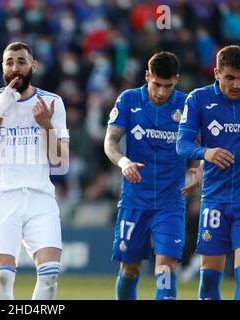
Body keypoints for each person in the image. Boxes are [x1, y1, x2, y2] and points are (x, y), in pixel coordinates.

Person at [0, 42, 69, 300]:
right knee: (2, 278)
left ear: (33, 66)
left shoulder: (51, 102)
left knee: (49, 277)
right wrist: (0, 111)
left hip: (40, 197)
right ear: (2, 67)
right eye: (9, 62)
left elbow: (60, 160)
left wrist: (46, 125)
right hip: (2, 196)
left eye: (21, 62)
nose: (15, 68)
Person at [104, 51, 200, 300]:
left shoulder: (186, 104)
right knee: (130, 269)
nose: (161, 92)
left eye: (167, 86)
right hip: (135, 201)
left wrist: (200, 167)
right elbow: (110, 142)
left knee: (166, 269)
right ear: (147, 76)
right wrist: (124, 162)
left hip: (170, 202)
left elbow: (203, 144)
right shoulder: (128, 100)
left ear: (176, 80)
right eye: (156, 84)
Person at [177, 45, 240, 300]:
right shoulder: (198, 99)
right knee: (209, 282)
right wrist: (207, 153)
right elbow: (182, 143)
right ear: (216, 73)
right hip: (214, 200)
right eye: (230, 77)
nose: (237, 84)